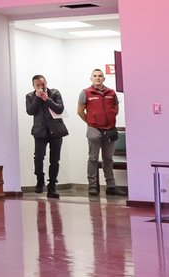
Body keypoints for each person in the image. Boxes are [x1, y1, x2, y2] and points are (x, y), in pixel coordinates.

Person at [77, 68, 123, 197]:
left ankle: (111, 186)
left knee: (108, 159)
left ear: (104, 78)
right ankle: (92, 186)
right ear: (91, 78)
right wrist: (91, 122)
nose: (98, 78)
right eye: (95, 76)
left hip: (110, 130)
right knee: (93, 158)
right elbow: (80, 111)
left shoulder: (111, 93)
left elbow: (115, 109)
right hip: (94, 129)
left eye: (100, 76)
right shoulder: (85, 93)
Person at [25, 75, 67, 199]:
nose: (40, 87)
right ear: (33, 86)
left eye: (42, 84)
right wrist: (38, 98)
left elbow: (59, 109)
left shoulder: (55, 93)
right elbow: (30, 111)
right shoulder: (30, 96)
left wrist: (47, 99)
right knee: (38, 158)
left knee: (54, 160)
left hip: (56, 131)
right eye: (37, 85)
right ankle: (40, 179)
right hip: (40, 132)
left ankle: (52, 186)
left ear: (46, 83)